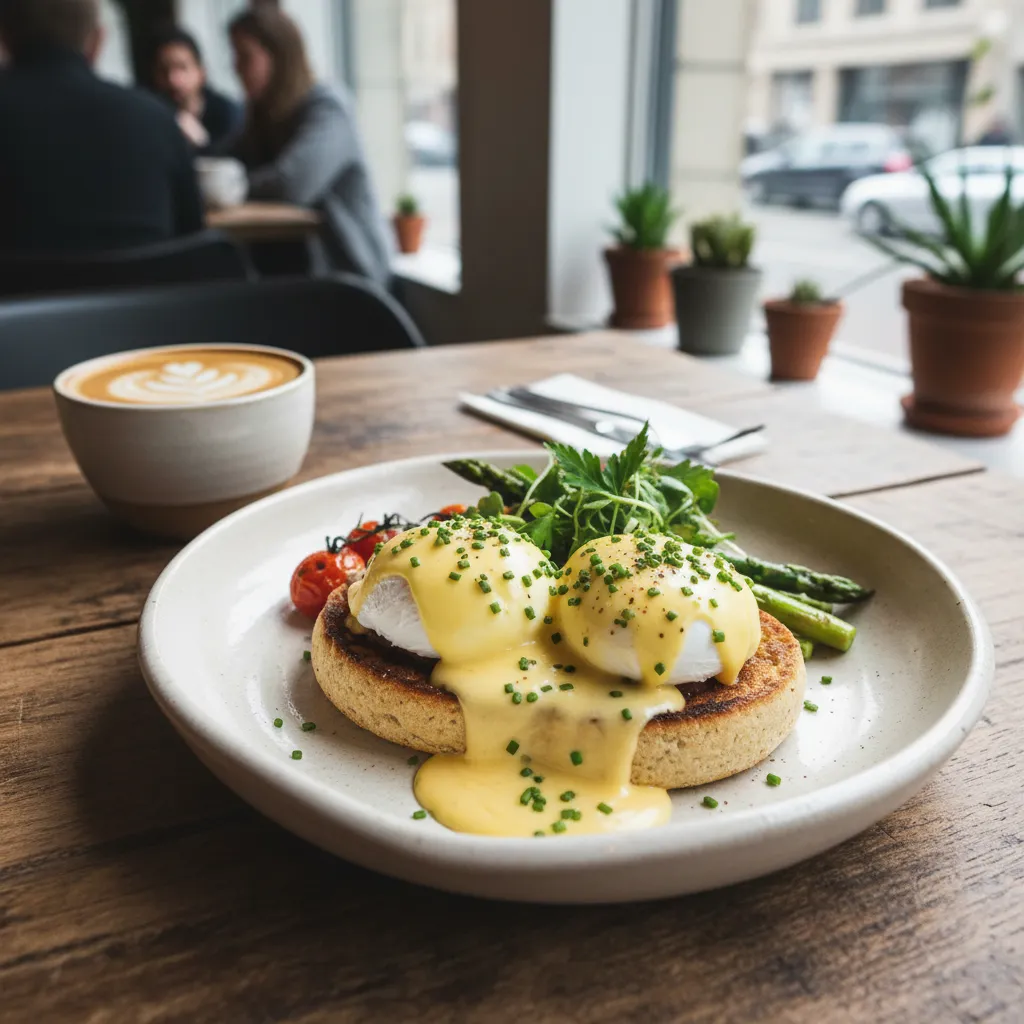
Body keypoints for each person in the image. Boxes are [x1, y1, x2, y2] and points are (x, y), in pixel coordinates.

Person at [0, 0, 204, 253]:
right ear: (98, 42)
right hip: (142, 290)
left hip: (24, 291)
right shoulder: (156, 120)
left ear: (4, 37)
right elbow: (193, 245)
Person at [227, 6, 391, 287]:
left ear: (279, 56)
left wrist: (228, 187)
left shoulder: (328, 108)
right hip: (296, 279)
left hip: (351, 280)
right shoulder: (262, 116)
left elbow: (291, 185)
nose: (236, 68)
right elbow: (226, 162)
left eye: (246, 57)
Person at [150, 26, 242, 154]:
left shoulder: (228, 114)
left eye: (182, 67)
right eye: (164, 70)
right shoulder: (152, 117)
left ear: (201, 72)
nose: (173, 79)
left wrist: (202, 143)